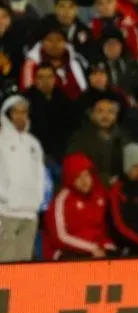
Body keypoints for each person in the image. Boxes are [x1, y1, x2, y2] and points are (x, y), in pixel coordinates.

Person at [42, 153, 116, 260]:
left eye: (86, 175)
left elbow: (101, 229)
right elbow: (59, 237)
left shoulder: (99, 195)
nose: (84, 181)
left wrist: (106, 245)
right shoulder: (62, 200)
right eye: (78, 177)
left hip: (94, 248)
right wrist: (91, 248)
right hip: (67, 251)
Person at [0, 95, 45, 262]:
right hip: (5, 213)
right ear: (7, 114)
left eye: (24, 112)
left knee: (24, 264)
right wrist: (6, 198)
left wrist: (37, 201)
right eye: (16, 112)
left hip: (30, 213)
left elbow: (40, 175)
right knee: (5, 262)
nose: (21, 116)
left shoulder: (33, 144)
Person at [66, 94, 126, 185]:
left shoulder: (123, 137)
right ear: (92, 115)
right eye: (100, 111)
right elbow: (75, 169)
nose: (105, 116)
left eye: (110, 112)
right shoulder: (80, 139)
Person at [23, 63, 75, 163]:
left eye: (49, 77)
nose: (45, 81)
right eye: (41, 77)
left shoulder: (64, 100)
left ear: (55, 79)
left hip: (59, 154)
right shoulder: (25, 101)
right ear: (35, 80)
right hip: (32, 153)